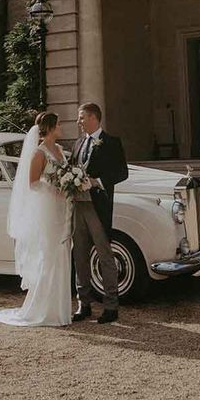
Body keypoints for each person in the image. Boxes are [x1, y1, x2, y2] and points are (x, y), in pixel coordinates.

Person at [0, 111, 72, 328]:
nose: (61, 126)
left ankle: (61, 310)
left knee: (62, 253)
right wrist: (55, 187)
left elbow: (65, 173)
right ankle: (43, 309)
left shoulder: (60, 150)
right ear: (51, 127)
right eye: (59, 124)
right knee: (50, 254)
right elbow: (33, 183)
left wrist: (70, 184)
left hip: (62, 207)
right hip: (48, 209)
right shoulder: (40, 153)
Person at [72, 102, 128, 324]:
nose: (79, 121)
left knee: (105, 256)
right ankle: (83, 304)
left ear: (94, 118)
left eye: (82, 117)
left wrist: (98, 181)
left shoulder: (112, 142)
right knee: (80, 256)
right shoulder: (77, 143)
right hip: (78, 205)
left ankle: (111, 306)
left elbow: (122, 172)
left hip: (99, 206)